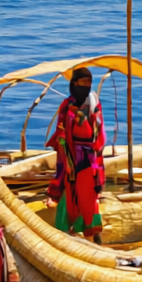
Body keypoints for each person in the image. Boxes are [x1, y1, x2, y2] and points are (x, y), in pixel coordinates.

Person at [47, 65, 106, 241]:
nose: (87, 85)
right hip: (70, 156)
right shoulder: (67, 105)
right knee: (69, 193)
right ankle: (67, 234)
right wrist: (63, 143)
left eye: (89, 82)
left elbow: (99, 130)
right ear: (74, 83)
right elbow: (61, 128)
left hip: (89, 158)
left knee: (88, 196)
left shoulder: (94, 104)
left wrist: (95, 151)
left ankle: (93, 235)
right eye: (83, 82)